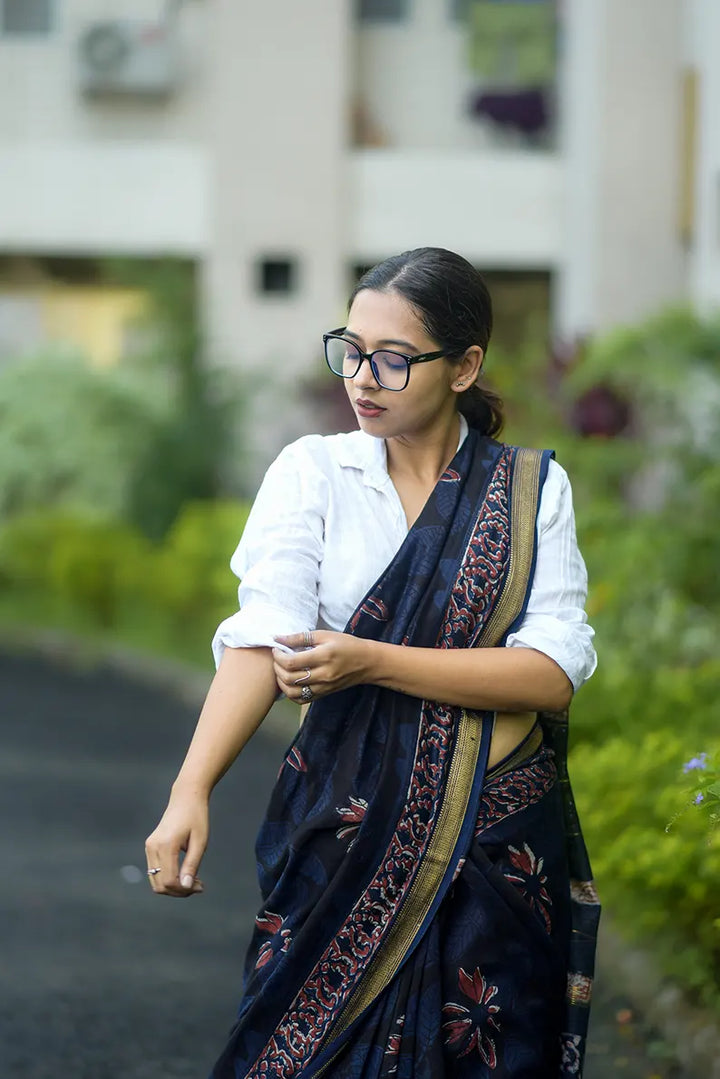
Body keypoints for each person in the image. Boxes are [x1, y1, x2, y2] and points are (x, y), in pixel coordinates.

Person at [145, 248, 599, 1078]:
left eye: (392, 358)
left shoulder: (531, 492)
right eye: (351, 349)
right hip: (346, 831)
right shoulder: (314, 472)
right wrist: (190, 789)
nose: (363, 376)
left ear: (465, 366)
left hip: (496, 843)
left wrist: (371, 660)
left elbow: (549, 673)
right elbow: (263, 636)